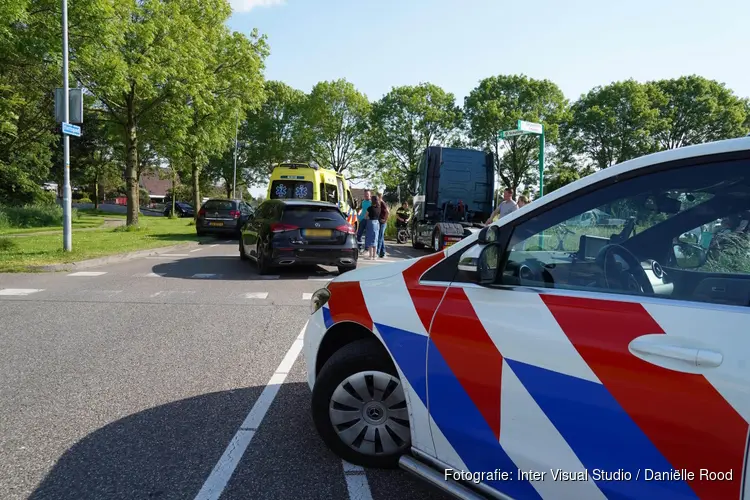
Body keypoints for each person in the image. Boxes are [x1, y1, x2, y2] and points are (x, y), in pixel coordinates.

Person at [365, 195, 381, 260]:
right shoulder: (379, 208)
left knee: (370, 238)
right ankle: (374, 255)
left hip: (371, 223)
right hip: (377, 223)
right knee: (375, 238)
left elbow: (366, 216)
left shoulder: (369, 208)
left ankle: (370, 256)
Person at [376, 192, 390, 258]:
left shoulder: (382, 203)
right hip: (380, 221)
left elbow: (388, 212)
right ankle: (383, 252)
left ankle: (377, 252)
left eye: (377, 197)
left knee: (380, 237)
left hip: (382, 222)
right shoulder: (379, 203)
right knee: (381, 237)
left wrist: (385, 220)